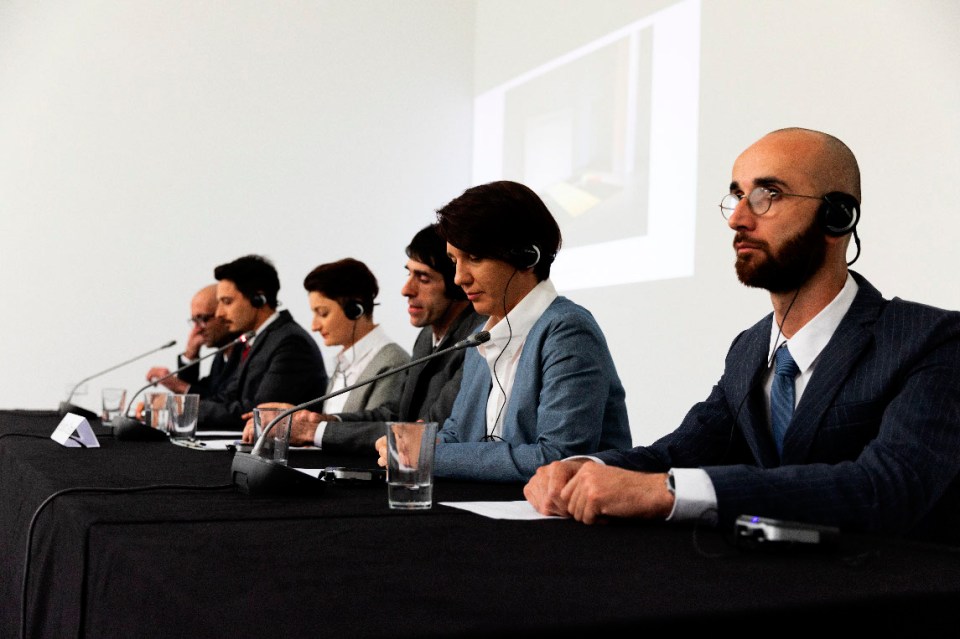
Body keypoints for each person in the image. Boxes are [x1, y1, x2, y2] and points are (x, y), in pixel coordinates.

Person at [523, 127, 960, 544]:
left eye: (769, 195)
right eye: (736, 196)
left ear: (836, 217)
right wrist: (582, 467)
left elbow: (888, 486)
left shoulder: (931, 340)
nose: (737, 219)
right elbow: (676, 454)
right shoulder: (750, 349)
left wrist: (668, 493)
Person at [376, 180, 632, 482]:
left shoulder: (568, 331)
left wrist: (427, 455)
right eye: (454, 261)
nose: (459, 278)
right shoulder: (483, 335)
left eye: (474, 258)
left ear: (526, 257)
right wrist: (412, 444)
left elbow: (557, 459)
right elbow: (457, 433)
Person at [242, 225, 484, 453]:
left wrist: (314, 431)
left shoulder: (475, 338)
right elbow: (396, 416)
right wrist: (322, 420)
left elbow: (427, 430)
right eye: (409, 273)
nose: (406, 289)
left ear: (455, 283)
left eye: (423, 278)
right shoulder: (425, 338)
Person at [198, 254, 327, 431]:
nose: (219, 313)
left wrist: (189, 410)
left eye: (227, 302)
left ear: (258, 299)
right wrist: (180, 407)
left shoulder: (291, 343)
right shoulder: (253, 340)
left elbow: (260, 413)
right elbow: (228, 396)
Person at [144, 284, 239, 398]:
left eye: (203, 319)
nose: (197, 329)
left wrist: (178, 386)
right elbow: (202, 394)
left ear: (224, 313)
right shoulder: (220, 357)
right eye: (195, 321)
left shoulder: (244, 355)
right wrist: (190, 355)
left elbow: (223, 402)